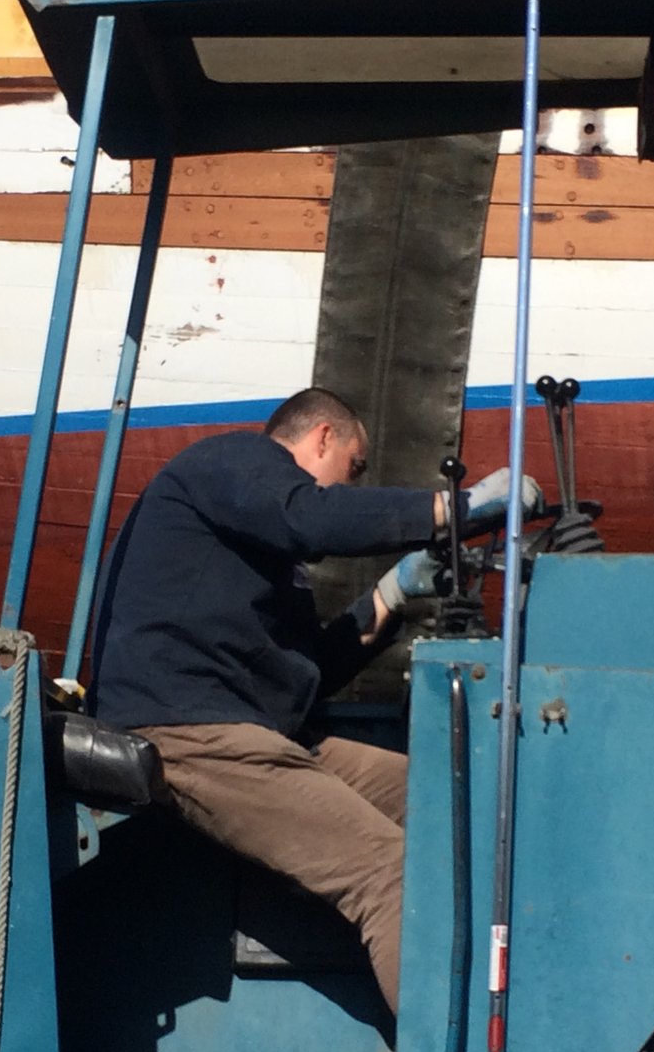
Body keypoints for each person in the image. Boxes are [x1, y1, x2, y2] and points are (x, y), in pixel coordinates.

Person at [90, 387, 539, 1013]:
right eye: (351, 470)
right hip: (188, 729)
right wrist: (455, 510)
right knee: (388, 874)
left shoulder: (256, 554)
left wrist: (390, 598)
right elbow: (314, 515)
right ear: (322, 437)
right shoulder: (230, 461)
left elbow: (301, 674)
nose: (347, 489)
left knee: (451, 802)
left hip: (254, 734)